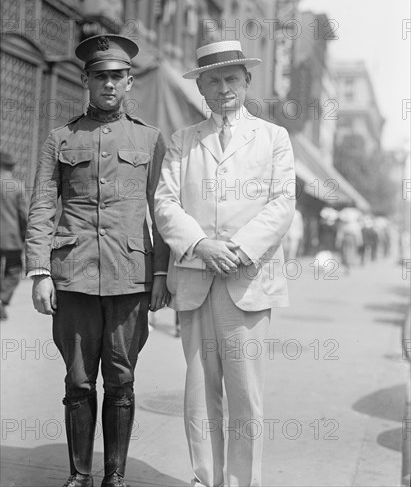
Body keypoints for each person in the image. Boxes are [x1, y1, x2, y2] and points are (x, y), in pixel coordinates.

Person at [25, 34, 170, 487]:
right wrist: (40, 271)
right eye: (100, 76)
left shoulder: (149, 139)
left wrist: (162, 272)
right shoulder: (60, 138)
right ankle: (78, 476)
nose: (109, 84)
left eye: (118, 77)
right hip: (73, 276)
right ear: (86, 80)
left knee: (122, 380)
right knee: (78, 381)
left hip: (131, 276)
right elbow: (43, 205)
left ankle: (115, 477)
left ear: (130, 83)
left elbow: (162, 208)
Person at [155, 40, 295, 487]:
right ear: (201, 88)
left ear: (246, 81)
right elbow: (164, 203)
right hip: (196, 279)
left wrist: (235, 249)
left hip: (246, 279)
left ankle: (240, 483)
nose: (223, 87)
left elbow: (282, 203)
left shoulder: (274, 137)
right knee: (199, 392)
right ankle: (203, 478)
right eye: (212, 80)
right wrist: (201, 245)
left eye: (231, 78)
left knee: (245, 395)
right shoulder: (183, 140)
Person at [0, 150, 27, 320]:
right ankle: (2, 301)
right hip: (11, 238)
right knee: (14, 270)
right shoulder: (17, 186)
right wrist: (25, 236)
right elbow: (23, 215)